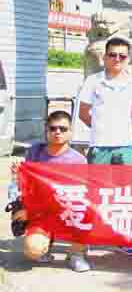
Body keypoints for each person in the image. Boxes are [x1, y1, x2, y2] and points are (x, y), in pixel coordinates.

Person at [10, 111, 90, 272]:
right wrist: (17, 181)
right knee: (33, 250)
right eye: (53, 128)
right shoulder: (34, 152)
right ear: (46, 130)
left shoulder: (78, 159)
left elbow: (85, 193)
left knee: (87, 212)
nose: (57, 132)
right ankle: (46, 243)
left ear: (71, 132)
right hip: (41, 212)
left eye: (63, 128)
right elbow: (23, 185)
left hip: (67, 209)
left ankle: (77, 253)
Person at [78, 37, 132, 165]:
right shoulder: (92, 81)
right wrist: (100, 127)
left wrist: (122, 130)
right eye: (112, 55)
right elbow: (83, 113)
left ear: (128, 59)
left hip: (125, 147)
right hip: (99, 147)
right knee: (98, 179)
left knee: (127, 179)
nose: (117, 59)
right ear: (104, 57)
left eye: (122, 56)